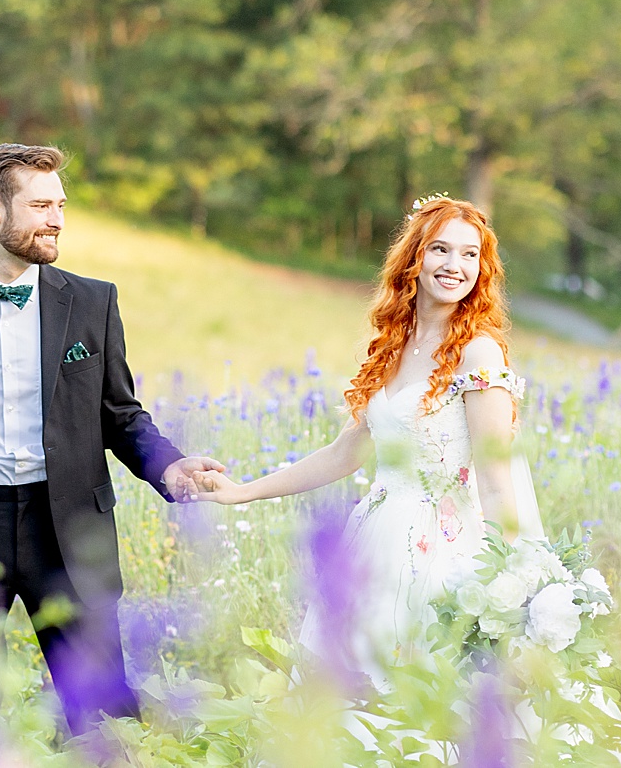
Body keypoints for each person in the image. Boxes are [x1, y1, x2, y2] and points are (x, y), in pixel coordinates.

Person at [0, 143, 225, 732]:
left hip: (67, 527)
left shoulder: (93, 302)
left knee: (101, 720)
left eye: (61, 205)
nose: (58, 219)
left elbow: (120, 414)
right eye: (41, 206)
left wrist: (169, 468)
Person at [188, 194, 540, 672]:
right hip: (375, 542)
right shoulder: (395, 346)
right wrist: (243, 492)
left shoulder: (478, 353)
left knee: (420, 702)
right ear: (414, 258)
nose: (455, 265)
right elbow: (343, 454)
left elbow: (497, 481)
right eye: (440, 249)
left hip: (440, 555)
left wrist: (507, 585)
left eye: (470, 253)